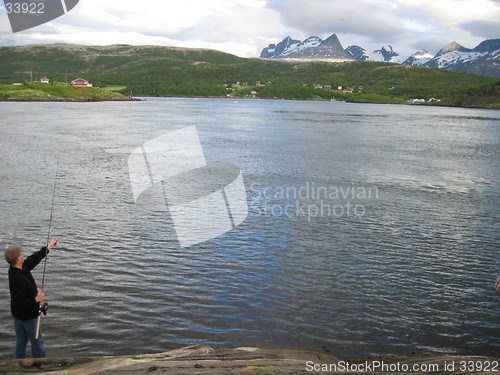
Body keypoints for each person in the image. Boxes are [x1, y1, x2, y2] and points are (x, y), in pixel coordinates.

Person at [4, 239, 58, 359]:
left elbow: (33, 259)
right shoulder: (18, 278)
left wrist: (48, 248)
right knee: (38, 344)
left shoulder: (18, 268)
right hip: (27, 317)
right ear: (18, 259)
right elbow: (19, 302)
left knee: (21, 341)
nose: (23, 255)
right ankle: (39, 366)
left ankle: (18, 363)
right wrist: (36, 299)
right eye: (22, 254)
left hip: (18, 316)